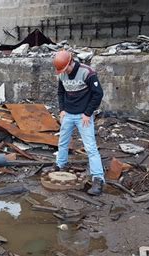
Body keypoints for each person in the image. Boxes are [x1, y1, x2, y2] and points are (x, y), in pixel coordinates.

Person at [52, 50, 105, 196]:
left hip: (83, 116)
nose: (64, 72)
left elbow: (98, 94)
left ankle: (98, 178)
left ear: (70, 62)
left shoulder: (87, 73)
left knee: (90, 147)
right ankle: (60, 165)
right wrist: (62, 109)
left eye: (65, 68)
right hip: (68, 114)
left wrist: (88, 113)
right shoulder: (62, 73)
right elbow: (61, 92)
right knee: (62, 142)